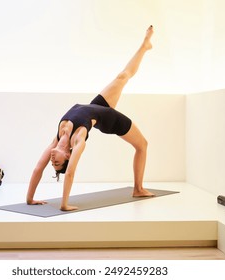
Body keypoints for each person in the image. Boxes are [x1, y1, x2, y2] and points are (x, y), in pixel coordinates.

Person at [27, 25, 155, 211]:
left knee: (122, 76)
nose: (52, 158)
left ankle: (144, 46)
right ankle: (138, 188)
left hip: (96, 107)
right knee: (142, 145)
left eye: (52, 162)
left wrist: (30, 199)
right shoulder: (78, 140)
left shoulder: (57, 137)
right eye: (57, 162)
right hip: (108, 118)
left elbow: (38, 168)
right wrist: (64, 205)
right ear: (68, 155)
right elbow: (70, 173)